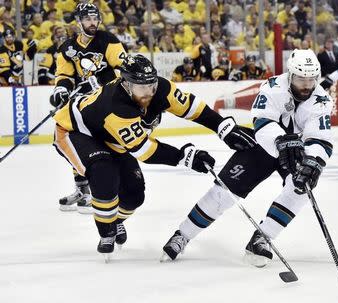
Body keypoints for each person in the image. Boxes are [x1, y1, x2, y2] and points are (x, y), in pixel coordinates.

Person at [53, 54, 257, 257]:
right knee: (104, 172)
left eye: (151, 85)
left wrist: (221, 126)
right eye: (142, 87)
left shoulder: (160, 88)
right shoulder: (116, 106)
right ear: (126, 84)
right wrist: (185, 156)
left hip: (112, 139)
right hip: (75, 132)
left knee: (134, 195)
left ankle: (116, 221)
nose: (149, 92)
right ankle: (107, 232)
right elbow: (144, 151)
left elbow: (192, 107)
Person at [161, 49, 333, 267]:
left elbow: (320, 137)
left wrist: (314, 161)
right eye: (301, 79)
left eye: (311, 79)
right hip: (263, 146)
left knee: (301, 186)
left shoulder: (321, 99)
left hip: (295, 150)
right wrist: (281, 140)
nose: (306, 85)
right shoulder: (272, 88)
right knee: (223, 194)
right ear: (290, 75)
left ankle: (263, 237)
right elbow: (261, 123)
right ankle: (182, 235)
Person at [50, 3, 127, 214]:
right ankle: (82, 189)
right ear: (79, 21)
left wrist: (96, 83)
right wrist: (61, 90)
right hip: (82, 104)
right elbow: (64, 76)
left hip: (108, 102)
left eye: (95, 18)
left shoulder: (108, 41)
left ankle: (99, 190)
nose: (93, 23)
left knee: (98, 146)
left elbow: (124, 70)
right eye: (88, 19)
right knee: (69, 141)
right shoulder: (67, 48)